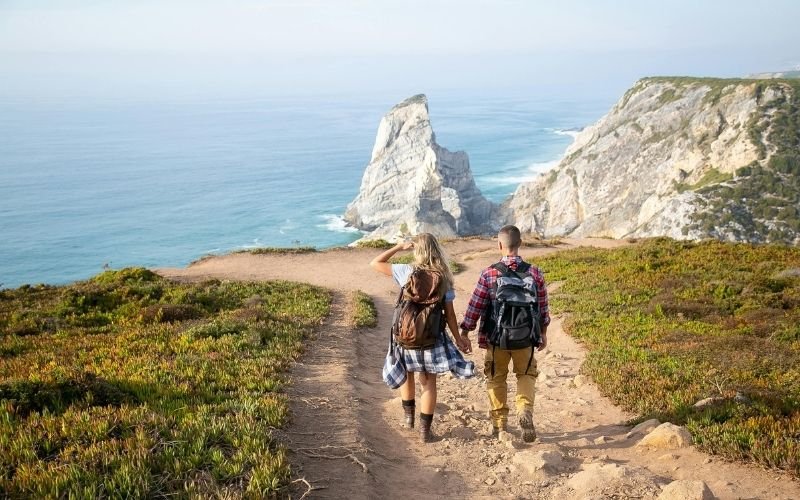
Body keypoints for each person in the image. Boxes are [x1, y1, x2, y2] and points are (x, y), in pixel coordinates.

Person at [370, 233, 474, 442]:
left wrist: (399, 246)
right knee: (428, 383)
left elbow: (375, 262)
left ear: (417, 251)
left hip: (406, 336)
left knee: (407, 375)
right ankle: (425, 432)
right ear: (436, 250)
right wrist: (458, 338)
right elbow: (450, 315)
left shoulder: (406, 271)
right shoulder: (444, 277)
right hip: (431, 338)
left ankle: (409, 420)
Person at [459, 225, 550, 442]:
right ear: (520, 244)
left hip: (496, 338)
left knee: (496, 379)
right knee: (526, 375)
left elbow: (476, 306)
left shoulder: (489, 273)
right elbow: (543, 307)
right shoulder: (534, 272)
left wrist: (465, 331)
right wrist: (543, 333)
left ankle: (499, 425)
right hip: (526, 338)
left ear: (499, 245)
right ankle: (524, 409)